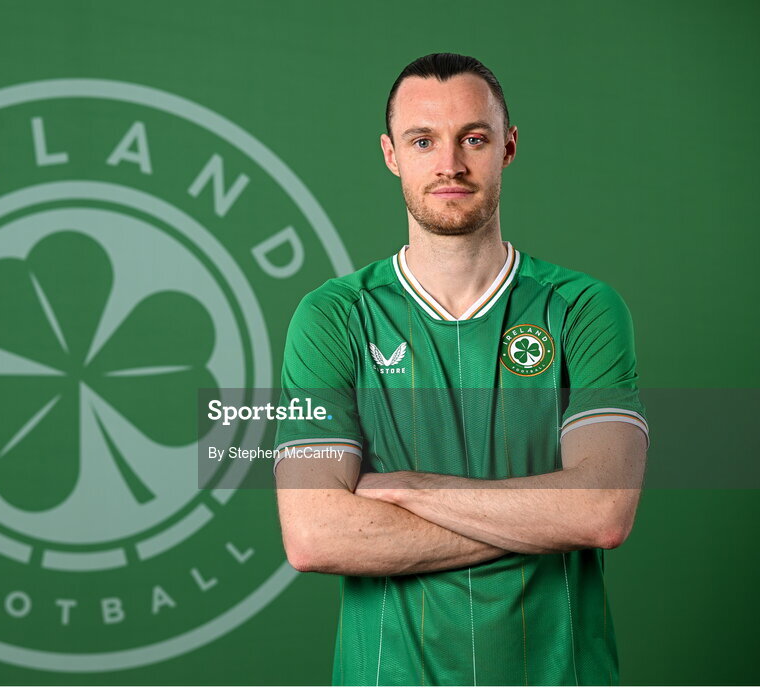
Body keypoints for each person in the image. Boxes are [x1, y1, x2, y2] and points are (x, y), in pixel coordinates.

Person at [273, 53, 649, 686]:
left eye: (473, 138)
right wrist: (543, 516)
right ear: (392, 154)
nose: (449, 163)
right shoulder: (334, 316)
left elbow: (603, 511)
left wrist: (415, 491)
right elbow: (315, 536)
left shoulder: (584, 308)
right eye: (424, 140)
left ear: (508, 147)